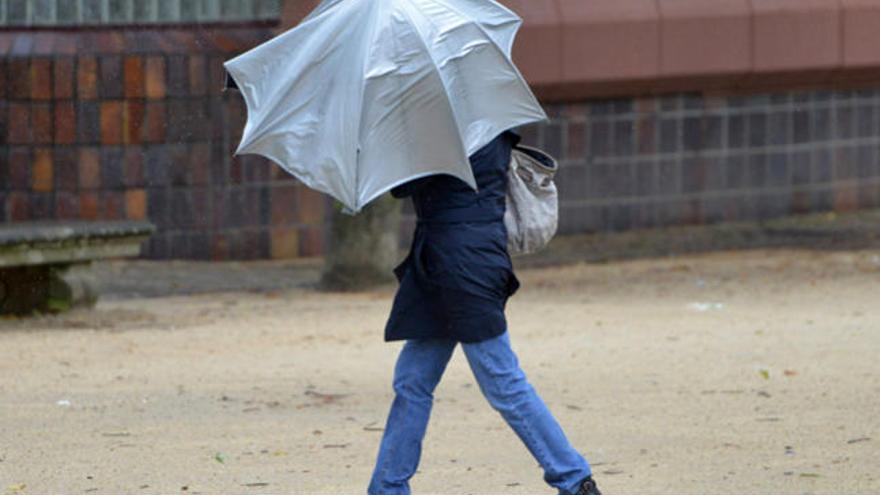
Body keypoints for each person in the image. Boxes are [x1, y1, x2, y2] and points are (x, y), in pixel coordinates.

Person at [368, 130, 601, 495]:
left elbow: (403, 185)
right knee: (412, 381)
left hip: (463, 265)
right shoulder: (484, 122)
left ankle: (574, 480)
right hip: (446, 260)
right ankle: (387, 488)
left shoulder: (453, 129)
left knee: (502, 382)